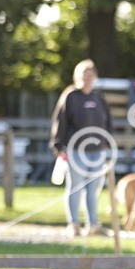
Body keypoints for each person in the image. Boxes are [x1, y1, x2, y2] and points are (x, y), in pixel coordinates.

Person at [50, 59, 114, 237]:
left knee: (94, 189)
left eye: (91, 75)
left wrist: (108, 142)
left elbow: (107, 122)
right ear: (78, 76)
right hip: (76, 150)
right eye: (85, 75)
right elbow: (60, 121)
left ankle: (93, 224)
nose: (88, 78)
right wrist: (58, 145)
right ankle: (74, 224)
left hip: (97, 150)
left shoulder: (98, 97)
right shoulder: (71, 96)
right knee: (75, 187)